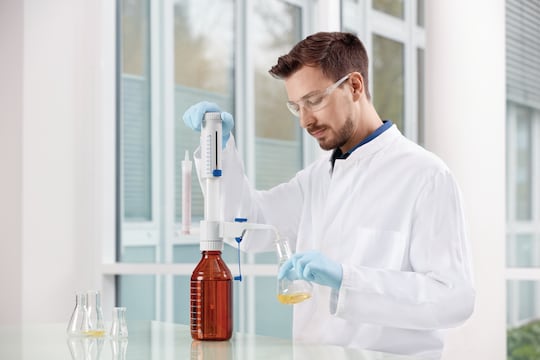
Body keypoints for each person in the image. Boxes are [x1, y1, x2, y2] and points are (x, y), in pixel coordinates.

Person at [183, 31, 475, 359]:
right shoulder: (316, 178)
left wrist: (346, 279)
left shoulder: (425, 175)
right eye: (296, 108)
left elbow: (454, 299)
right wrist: (220, 149)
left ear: (354, 86)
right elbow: (247, 229)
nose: (306, 120)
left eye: (314, 100)